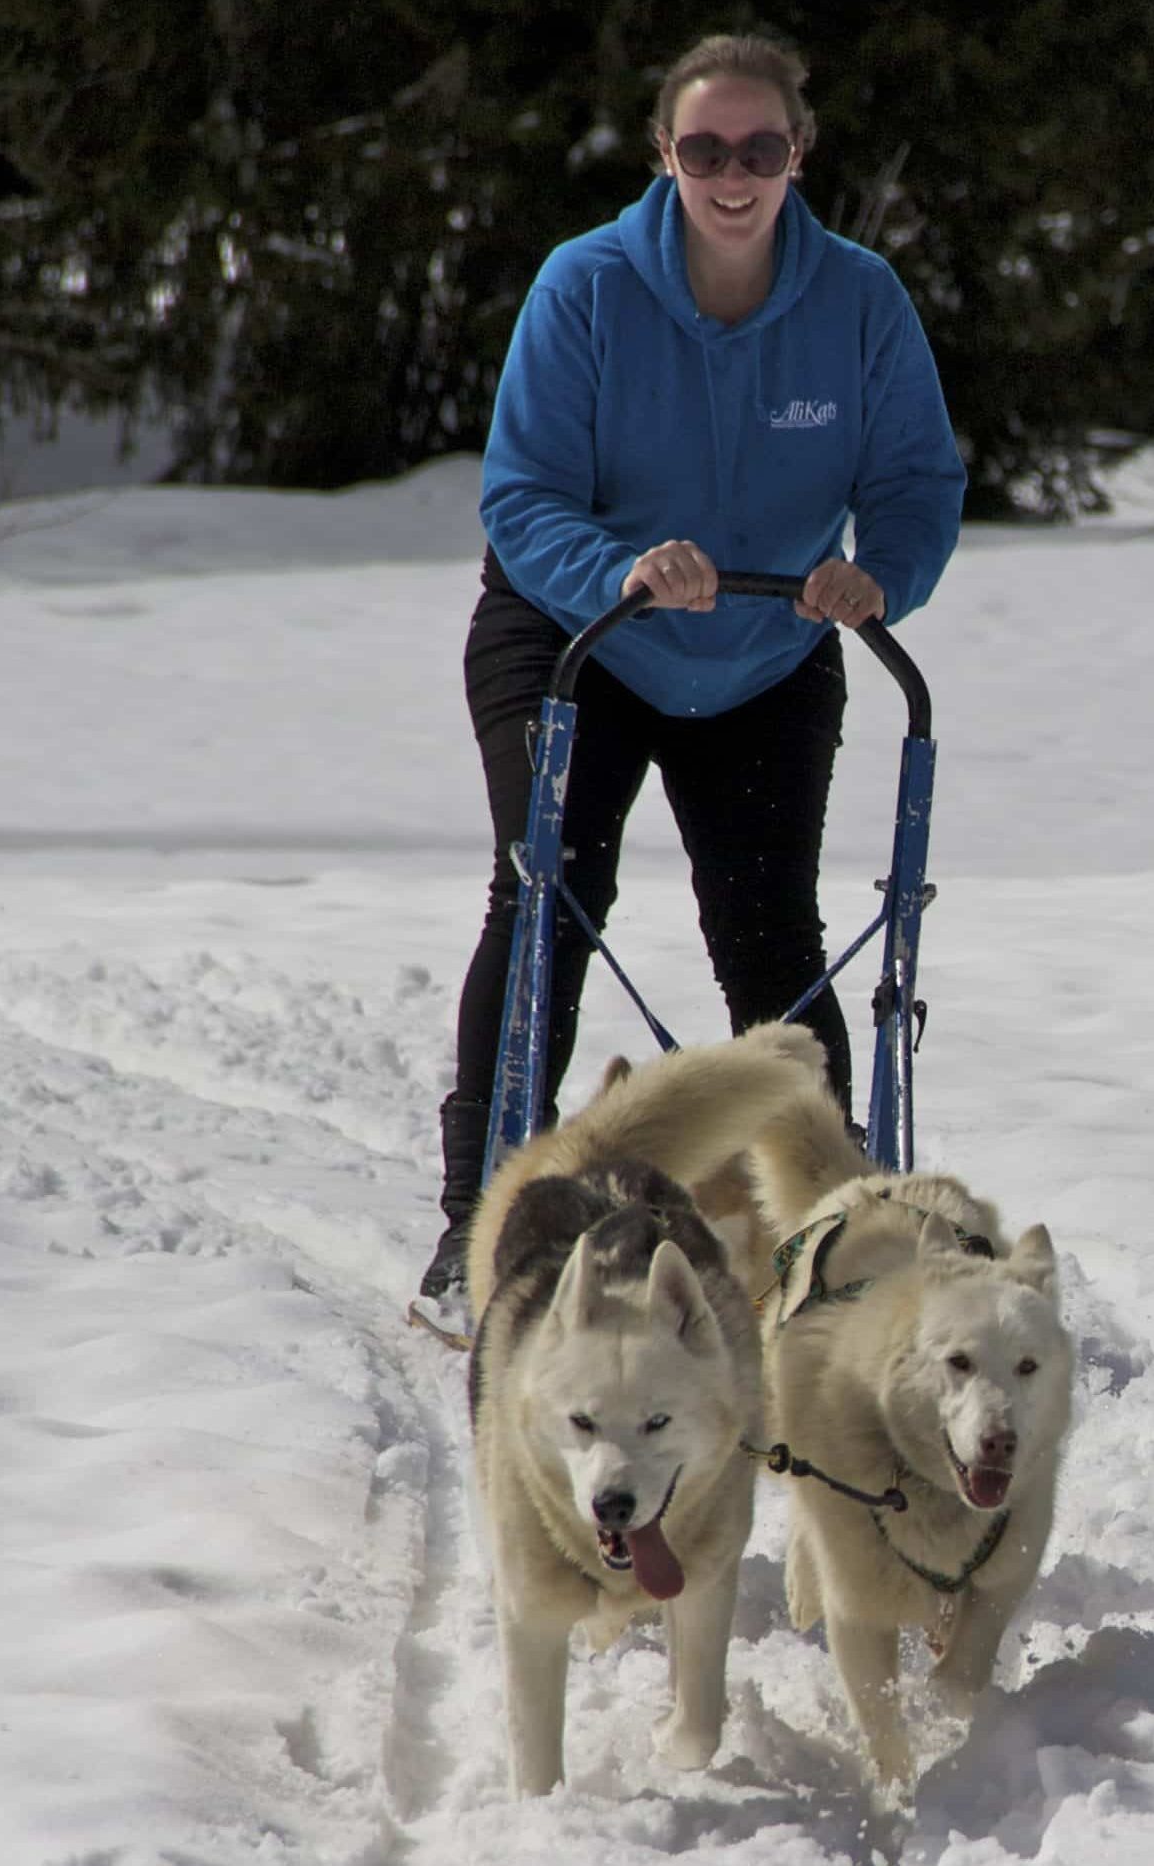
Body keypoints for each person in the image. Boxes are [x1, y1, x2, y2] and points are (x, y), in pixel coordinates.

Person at [419, 33, 967, 1300]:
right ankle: (479, 1217)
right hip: (577, 639)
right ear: (666, 155)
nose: (733, 174)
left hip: (767, 647)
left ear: (797, 155)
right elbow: (524, 491)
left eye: (759, 149)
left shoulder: (859, 300)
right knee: (550, 895)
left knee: (771, 931)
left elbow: (914, 483)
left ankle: (841, 1221)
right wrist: (620, 569)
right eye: (707, 149)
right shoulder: (587, 287)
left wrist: (877, 573)